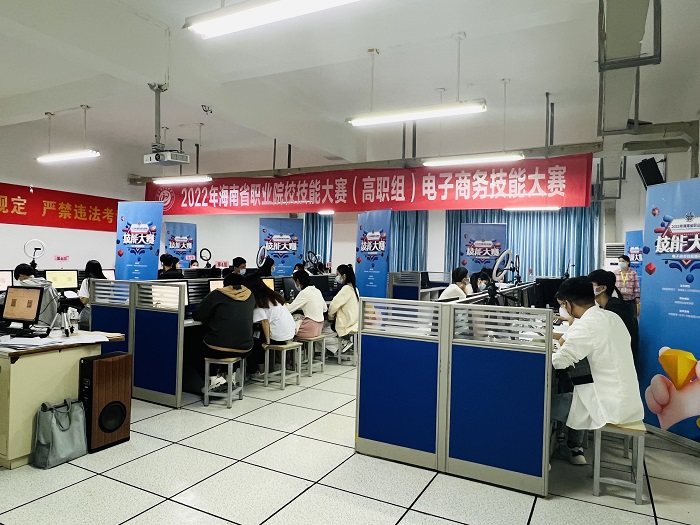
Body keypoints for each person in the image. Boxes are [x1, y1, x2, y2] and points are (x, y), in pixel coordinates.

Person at [551, 277, 644, 465]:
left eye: (562, 305)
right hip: (626, 398)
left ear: (568, 304)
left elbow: (558, 362)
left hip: (608, 404)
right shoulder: (610, 317)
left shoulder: (587, 325)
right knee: (577, 385)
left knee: (542, 406)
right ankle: (570, 446)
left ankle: (540, 460)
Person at [192, 273, 256, 390]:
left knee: (192, 346)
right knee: (232, 338)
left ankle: (213, 379)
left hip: (219, 349)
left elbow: (199, 314)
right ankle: (230, 376)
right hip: (245, 348)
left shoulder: (217, 294)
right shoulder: (250, 295)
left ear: (225, 284)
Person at [245, 274, 296, 382]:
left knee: (255, 342)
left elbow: (264, 322)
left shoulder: (259, 301)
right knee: (258, 334)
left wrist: (267, 343)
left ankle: (262, 373)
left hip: (279, 336)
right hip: (290, 332)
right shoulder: (273, 296)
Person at [588, 269, 639, 361]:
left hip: (621, 357)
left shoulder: (614, 310)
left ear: (602, 288)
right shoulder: (609, 304)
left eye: (590, 285)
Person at [287, 269, 326, 338]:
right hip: (319, 328)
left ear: (297, 281)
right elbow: (325, 309)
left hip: (309, 329)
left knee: (287, 330)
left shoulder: (304, 292)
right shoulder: (317, 290)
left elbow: (289, 310)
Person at [328, 265, 359, 347]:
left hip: (346, 324)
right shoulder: (355, 288)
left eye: (338, 274)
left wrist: (330, 317)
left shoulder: (346, 289)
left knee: (324, 329)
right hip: (354, 322)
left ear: (344, 276)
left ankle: (342, 344)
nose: (336, 277)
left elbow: (333, 305)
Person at [78, 260, 107, 330]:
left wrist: (79, 295)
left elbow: (84, 301)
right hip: (105, 314)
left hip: (90, 314)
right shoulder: (109, 282)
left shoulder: (87, 282)